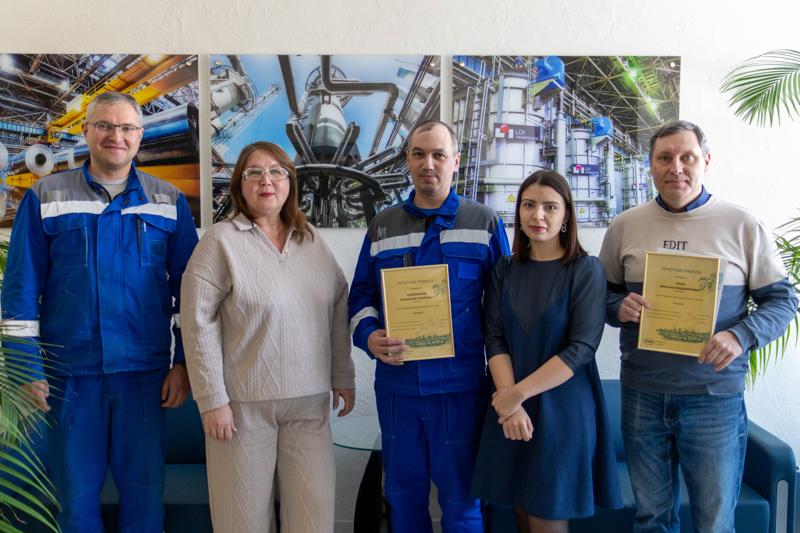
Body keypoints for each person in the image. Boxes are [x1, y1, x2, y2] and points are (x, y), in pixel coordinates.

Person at [1, 91, 198, 532]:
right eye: (105, 126)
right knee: (75, 502)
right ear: (86, 131)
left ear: (140, 136)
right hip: (70, 378)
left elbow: (191, 294)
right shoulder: (46, 196)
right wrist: (27, 369)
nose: (116, 136)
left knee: (145, 500)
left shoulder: (168, 201)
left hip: (144, 378)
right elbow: (19, 292)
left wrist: (184, 363)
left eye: (126, 127)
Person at [598, 120, 798, 533]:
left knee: (713, 523)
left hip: (713, 399)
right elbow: (601, 297)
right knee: (651, 519)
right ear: (650, 165)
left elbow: (783, 300)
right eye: (664, 158)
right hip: (642, 395)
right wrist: (619, 308)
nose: (676, 167)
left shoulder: (743, 225)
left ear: (706, 161)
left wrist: (740, 336)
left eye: (687, 157)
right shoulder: (624, 226)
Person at [180, 141, 355, 532]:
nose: (267, 181)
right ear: (240, 186)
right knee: (242, 522)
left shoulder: (311, 241)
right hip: (242, 408)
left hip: (309, 405)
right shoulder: (220, 241)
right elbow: (196, 321)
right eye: (254, 173)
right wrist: (211, 400)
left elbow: (337, 306)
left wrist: (343, 375)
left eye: (277, 172)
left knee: (314, 520)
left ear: (290, 182)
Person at [348, 120, 510, 532]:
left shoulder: (484, 222)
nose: (428, 164)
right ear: (407, 160)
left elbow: (502, 310)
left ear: (455, 162)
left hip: (460, 390)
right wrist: (369, 336)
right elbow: (360, 297)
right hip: (398, 388)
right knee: (403, 499)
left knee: (463, 502)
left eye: (439, 155)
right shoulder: (383, 225)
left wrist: (506, 385)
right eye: (419, 154)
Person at [471, 170, 622, 533]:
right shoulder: (504, 268)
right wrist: (511, 404)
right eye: (529, 205)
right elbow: (494, 337)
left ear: (566, 215)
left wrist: (514, 397)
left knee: (546, 517)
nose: (537, 215)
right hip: (510, 404)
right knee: (521, 514)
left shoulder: (586, 270)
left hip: (562, 411)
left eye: (550, 207)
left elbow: (581, 348)